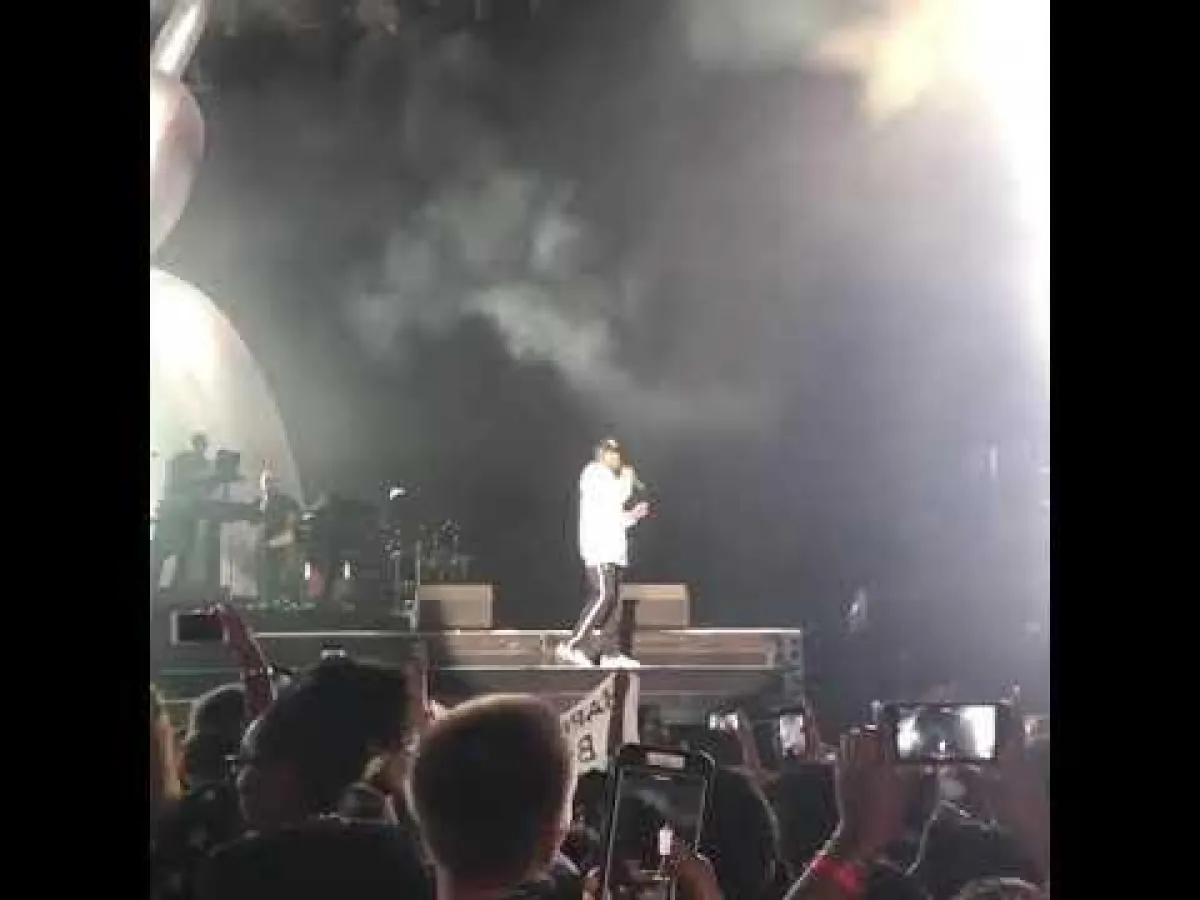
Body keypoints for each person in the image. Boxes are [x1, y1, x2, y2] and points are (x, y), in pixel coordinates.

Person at [556, 438, 649, 668]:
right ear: (600, 455)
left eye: (617, 453)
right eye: (610, 453)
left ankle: (610, 653)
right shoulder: (594, 473)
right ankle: (571, 646)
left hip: (614, 551)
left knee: (614, 603)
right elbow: (616, 496)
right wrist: (626, 479)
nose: (615, 457)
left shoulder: (611, 480)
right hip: (598, 549)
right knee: (603, 595)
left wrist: (633, 516)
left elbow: (613, 517)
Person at [151, 432, 213, 595]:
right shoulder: (180, 460)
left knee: (185, 551)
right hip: (173, 512)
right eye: (200, 445)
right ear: (195, 444)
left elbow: (207, 488)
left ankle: (175, 588)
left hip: (188, 514)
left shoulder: (205, 463)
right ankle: (154, 588)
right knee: (161, 552)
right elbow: (171, 484)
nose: (202, 449)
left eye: (204, 446)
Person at [257, 468, 302, 609]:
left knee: (289, 573)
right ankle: (270, 601)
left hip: (284, 543)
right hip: (269, 547)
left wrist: (289, 525)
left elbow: (294, 518)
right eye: (266, 482)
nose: (269, 485)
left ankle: (292, 600)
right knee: (270, 575)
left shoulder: (286, 501)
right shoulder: (261, 503)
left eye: (271, 482)